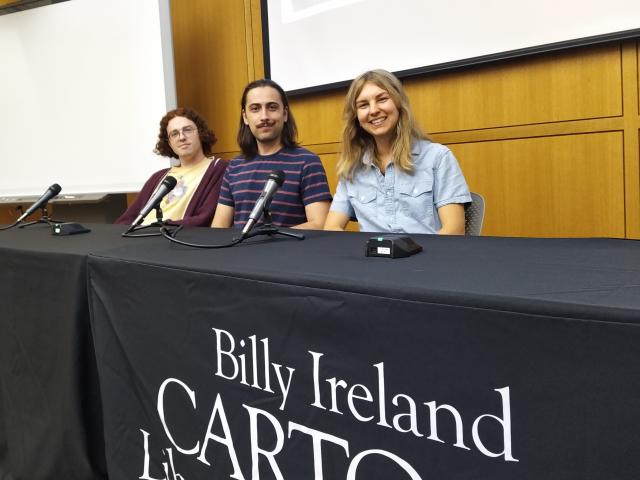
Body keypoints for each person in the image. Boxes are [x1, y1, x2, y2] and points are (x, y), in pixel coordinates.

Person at [324, 69, 471, 234]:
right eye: (363, 105)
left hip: (425, 258)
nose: (373, 110)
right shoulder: (351, 168)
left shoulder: (438, 157)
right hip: (370, 259)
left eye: (382, 99)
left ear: (399, 103)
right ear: (356, 117)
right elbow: (331, 228)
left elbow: (454, 231)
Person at [211, 79, 332, 230]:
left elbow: (320, 223)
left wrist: (266, 240)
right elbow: (219, 226)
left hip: (287, 252)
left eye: (272, 107)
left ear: (285, 114)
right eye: (255, 109)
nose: (264, 116)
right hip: (239, 252)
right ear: (245, 117)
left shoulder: (307, 162)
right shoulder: (234, 166)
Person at [115, 107, 227, 227]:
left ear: (200, 133)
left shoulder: (219, 168)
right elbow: (128, 218)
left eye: (187, 130)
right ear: (169, 143)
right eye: (174, 134)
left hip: (174, 238)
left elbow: (204, 218)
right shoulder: (158, 177)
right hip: (142, 236)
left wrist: (161, 228)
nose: (182, 137)